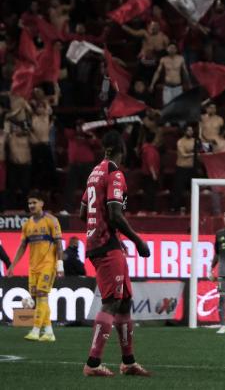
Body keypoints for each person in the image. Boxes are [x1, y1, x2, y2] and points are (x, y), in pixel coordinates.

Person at [79, 130, 151, 377]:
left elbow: (82, 212)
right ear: (122, 149)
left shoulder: (93, 173)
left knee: (125, 301)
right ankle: (93, 362)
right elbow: (115, 213)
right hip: (106, 243)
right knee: (111, 302)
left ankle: (128, 362)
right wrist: (138, 240)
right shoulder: (114, 173)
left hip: (99, 242)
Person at [7, 190, 64, 342]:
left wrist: (60, 265)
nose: (31, 205)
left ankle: (35, 330)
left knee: (41, 295)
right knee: (38, 299)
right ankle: (49, 332)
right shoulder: (27, 224)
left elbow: (59, 244)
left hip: (48, 264)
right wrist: (12, 265)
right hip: (33, 267)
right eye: (29, 203)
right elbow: (22, 246)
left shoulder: (52, 220)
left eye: (34, 202)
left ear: (41, 203)